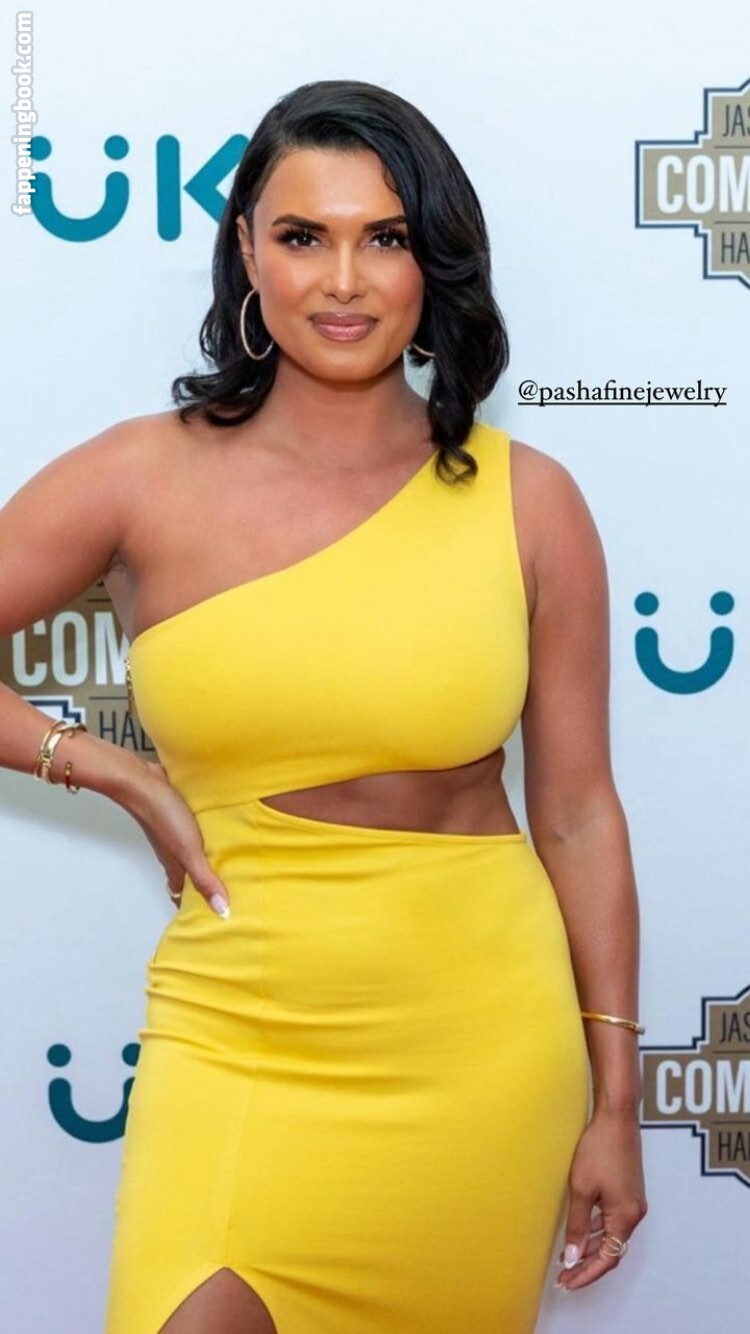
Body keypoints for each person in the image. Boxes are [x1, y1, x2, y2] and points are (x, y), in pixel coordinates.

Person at [2, 78, 647, 1333]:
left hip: (478, 1039)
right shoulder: (141, 475)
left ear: (430, 261)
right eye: (304, 236)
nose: (343, 281)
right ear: (248, 250)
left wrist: (617, 1100)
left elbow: (576, 811)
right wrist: (109, 766)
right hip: (238, 1028)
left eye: (384, 237)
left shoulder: (530, 500)